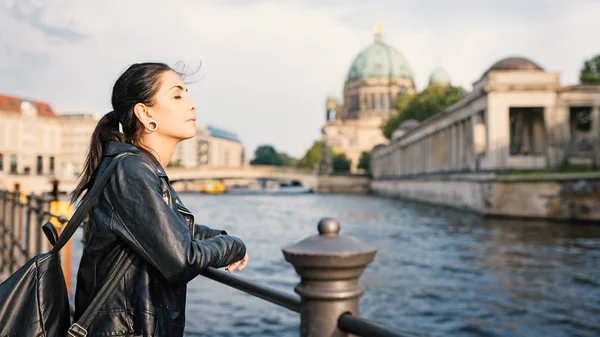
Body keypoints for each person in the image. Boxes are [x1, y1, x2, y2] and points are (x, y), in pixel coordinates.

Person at [70, 62, 248, 337]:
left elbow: (162, 227)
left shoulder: (138, 167)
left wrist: (216, 235)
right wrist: (233, 245)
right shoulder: (132, 171)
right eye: (177, 95)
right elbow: (182, 259)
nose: (192, 105)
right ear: (144, 113)